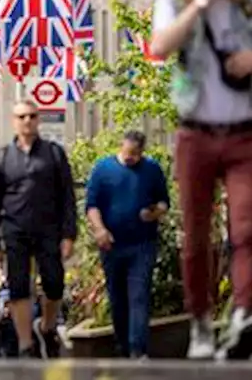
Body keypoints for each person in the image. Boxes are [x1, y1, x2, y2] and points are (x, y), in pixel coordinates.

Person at [150, 0, 252, 360]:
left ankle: (244, 313)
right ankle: (201, 322)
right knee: (196, 234)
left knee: (245, 230)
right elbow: (160, 46)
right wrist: (200, 3)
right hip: (196, 135)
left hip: (244, 136)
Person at [0, 99, 76, 359]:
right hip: (15, 229)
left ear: (38, 120)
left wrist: (69, 234)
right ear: (14, 122)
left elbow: (67, 196)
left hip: (49, 228)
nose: (27, 121)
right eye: (22, 116)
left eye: (32, 116)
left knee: (54, 283)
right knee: (18, 287)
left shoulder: (53, 153)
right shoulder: (4, 157)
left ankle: (47, 328)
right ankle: (26, 344)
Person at [83, 130, 170, 359]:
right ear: (121, 146)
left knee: (139, 295)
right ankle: (122, 345)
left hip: (142, 244)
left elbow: (163, 202)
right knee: (118, 298)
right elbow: (91, 206)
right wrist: (100, 230)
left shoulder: (152, 169)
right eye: (129, 153)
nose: (132, 158)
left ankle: (137, 349)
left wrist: (153, 213)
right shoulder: (103, 170)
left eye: (137, 154)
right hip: (111, 246)